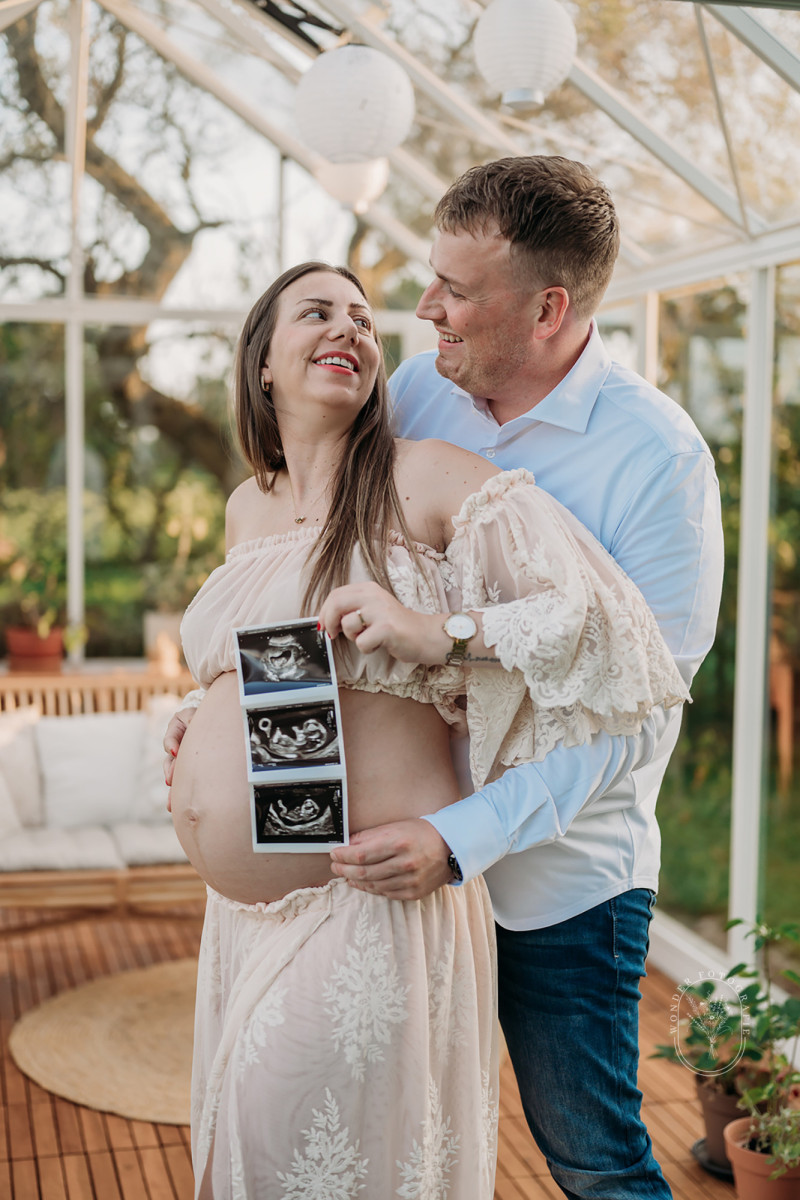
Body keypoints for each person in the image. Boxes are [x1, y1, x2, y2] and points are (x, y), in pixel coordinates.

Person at [165, 258, 689, 1200]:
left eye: (363, 319)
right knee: (254, 1155)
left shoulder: (429, 475)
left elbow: (610, 634)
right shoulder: (250, 504)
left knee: (311, 1155)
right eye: (317, 312)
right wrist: (205, 721)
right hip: (244, 913)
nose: (353, 328)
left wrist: (439, 633)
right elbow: (291, 674)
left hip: (366, 892)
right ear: (263, 366)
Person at [325, 157, 726, 1199]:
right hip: (389, 871)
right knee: (409, 1150)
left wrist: (459, 840)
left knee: (591, 1164)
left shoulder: (657, 461)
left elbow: (636, 717)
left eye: (457, 291)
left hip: (560, 889)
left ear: (548, 307)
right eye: (432, 278)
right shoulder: (412, 397)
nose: (425, 309)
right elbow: (321, 570)